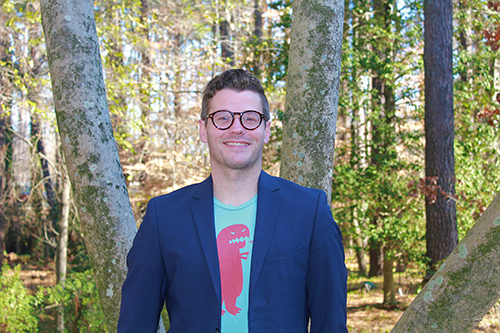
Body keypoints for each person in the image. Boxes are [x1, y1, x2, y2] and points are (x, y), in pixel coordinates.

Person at [118, 69, 347, 332]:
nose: (237, 128)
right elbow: (134, 325)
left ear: (267, 130)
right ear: (203, 129)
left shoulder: (309, 212)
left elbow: (330, 323)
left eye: (250, 118)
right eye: (223, 118)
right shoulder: (164, 217)